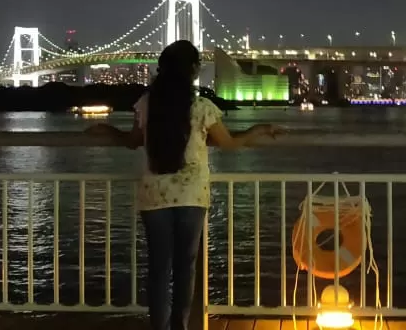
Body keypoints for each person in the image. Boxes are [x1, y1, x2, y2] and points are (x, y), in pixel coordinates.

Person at [86, 40, 281, 330]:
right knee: (185, 269)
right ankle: (181, 326)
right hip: (191, 196)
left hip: (154, 195)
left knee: (159, 270)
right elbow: (228, 143)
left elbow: (132, 142)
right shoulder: (202, 106)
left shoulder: (147, 102)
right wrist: (259, 129)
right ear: (192, 71)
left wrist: (105, 129)